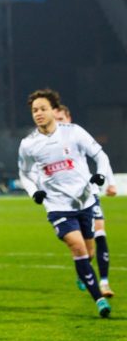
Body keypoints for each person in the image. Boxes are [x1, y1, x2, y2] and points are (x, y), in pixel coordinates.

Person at [19, 89, 115, 314]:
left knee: (88, 251)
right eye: (34, 110)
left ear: (54, 110)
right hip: (57, 206)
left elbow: (100, 155)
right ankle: (99, 300)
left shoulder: (74, 133)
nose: (39, 114)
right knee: (77, 246)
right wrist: (34, 192)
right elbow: (24, 173)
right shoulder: (29, 144)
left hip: (85, 202)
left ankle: (84, 272)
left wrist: (101, 175)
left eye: (43, 109)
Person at [55, 105, 116, 296]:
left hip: (90, 195)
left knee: (100, 233)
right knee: (85, 250)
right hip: (67, 202)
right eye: (55, 120)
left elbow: (100, 156)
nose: (58, 124)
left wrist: (110, 183)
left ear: (69, 117)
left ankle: (104, 282)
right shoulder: (50, 144)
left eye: (61, 119)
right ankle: (83, 270)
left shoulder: (77, 135)